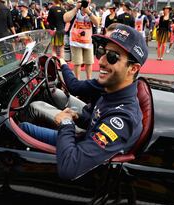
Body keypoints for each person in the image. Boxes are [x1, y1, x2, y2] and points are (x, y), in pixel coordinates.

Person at [19, 24, 148, 179]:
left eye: (112, 56)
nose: (101, 62)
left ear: (133, 68)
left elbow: (69, 169)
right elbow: (96, 121)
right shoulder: (111, 91)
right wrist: (78, 117)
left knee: (22, 130)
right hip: (82, 139)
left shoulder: (122, 119)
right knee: (24, 127)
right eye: (101, 52)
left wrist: (66, 123)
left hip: (79, 150)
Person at [63, 0, 99, 80]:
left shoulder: (91, 10)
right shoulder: (74, 9)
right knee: (77, 63)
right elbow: (65, 19)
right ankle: (77, 81)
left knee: (89, 62)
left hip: (88, 41)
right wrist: (76, 8)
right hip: (75, 41)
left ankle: (89, 80)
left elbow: (97, 23)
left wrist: (88, 11)